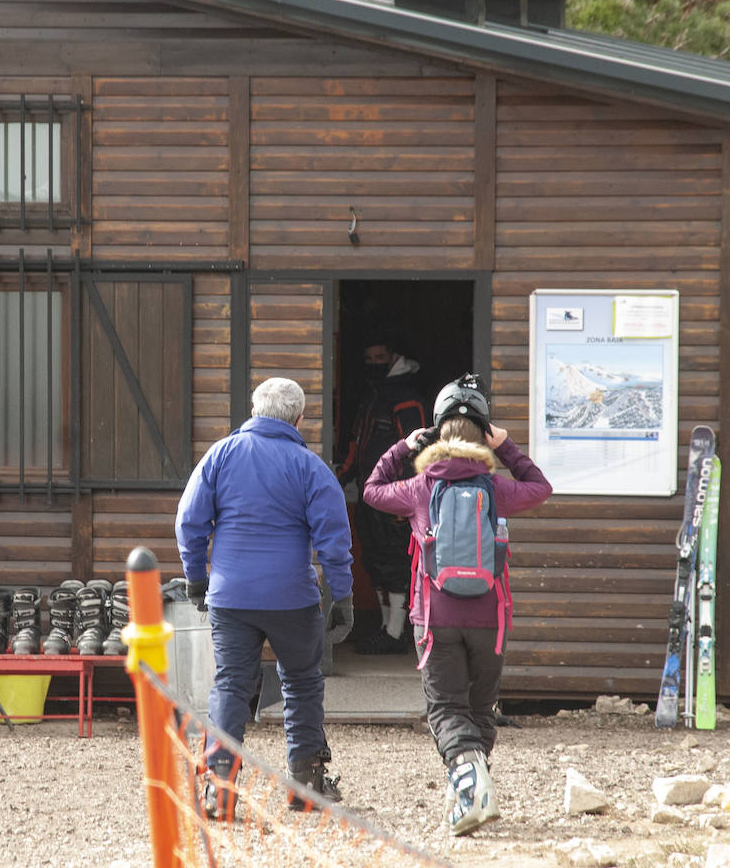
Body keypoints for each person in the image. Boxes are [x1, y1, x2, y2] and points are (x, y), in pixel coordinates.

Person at [362, 374, 551, 837]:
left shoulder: (419, 488)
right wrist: (507, 448)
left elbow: (371, 489)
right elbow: (540, 487)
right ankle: (471, 788)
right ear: (484, 433)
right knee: (479, 709)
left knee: (446, 709)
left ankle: (468, 786)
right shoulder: (496, 488)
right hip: (491, 620)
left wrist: (403, 448)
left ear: (436, 430)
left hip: (437, 619)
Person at [175, 377, 356, 818]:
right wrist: (343, 598)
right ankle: (305, 785)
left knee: (231, 685)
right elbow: (334, 540)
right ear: (299, 418)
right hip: (293, 599)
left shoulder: (220, 456)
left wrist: (196, 579)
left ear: (254, 411)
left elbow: (189, 522)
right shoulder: (310, 467)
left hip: (231, 596)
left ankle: (218, 788)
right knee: (301, 683)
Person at [336, 333, 428, 654]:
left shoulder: (406, 397)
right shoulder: (371, 396)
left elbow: (419, 451)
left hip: (394, 499)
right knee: (374, 561)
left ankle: (396, 633)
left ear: (393, 356)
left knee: (394, 563)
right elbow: (356, 445)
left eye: (380, 357)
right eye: (369, 358)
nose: (373, 364)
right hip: (367, 495)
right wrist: (339, 477)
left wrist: (408, 500)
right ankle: (387, 629)